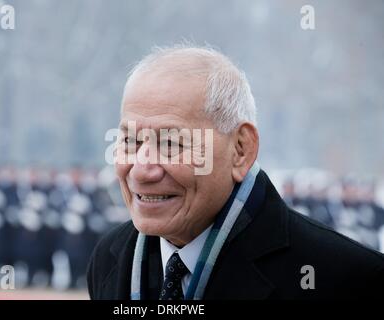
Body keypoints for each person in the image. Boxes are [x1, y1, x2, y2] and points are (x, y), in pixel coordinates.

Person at [87, 45, 384, 299]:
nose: (141, 170)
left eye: (170, 143)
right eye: (129, 140)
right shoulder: (109, 259)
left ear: (241, 150)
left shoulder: (347, 279)